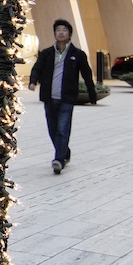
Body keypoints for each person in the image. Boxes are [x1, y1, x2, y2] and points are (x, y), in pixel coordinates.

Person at [28, 18, 97, 174]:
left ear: (70, 34)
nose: (61, 33)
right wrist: (32, 82)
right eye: (58, 30)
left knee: (62, 129)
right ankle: (65, 151)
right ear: (54, 33)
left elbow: (87, 74)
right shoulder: (46, 53)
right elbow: (37, 68)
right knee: (53, 130)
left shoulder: (78, 54)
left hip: (67, 98)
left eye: (64, 30)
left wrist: (92, 95)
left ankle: (59, 160)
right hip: (49, 97)